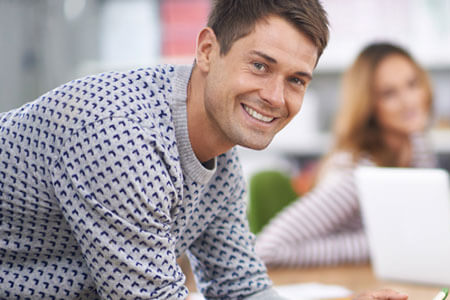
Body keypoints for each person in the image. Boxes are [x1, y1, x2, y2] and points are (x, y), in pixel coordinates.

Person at [0, 1, 405, 299]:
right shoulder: (121, 136)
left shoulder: (222, 162)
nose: (275, 97)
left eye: (297, 80)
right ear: (208, 50)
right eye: (260, 66)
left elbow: (240, 287)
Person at [255, 42, 450, 267]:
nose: (409, 101)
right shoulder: (354, 170)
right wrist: (384, 243)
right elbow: (268, 248)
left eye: (412, 84)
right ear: (369, 105)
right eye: (389, 93)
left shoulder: (417, 144)